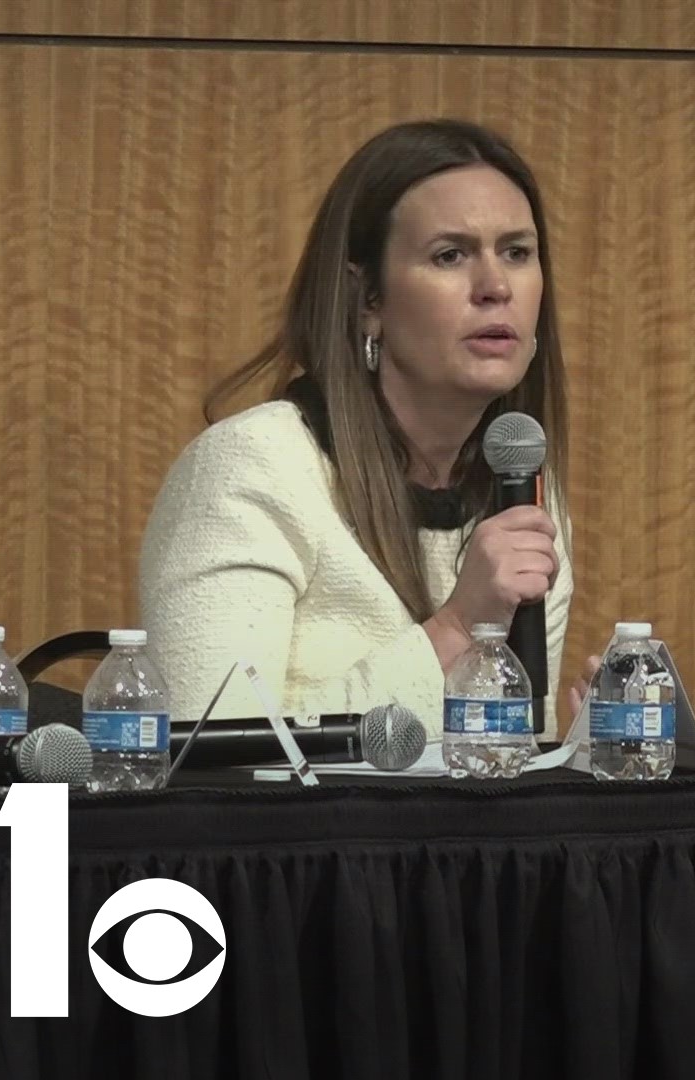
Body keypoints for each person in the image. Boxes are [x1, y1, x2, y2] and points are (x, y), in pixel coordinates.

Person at [139, 118, 581, 735]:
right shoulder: (252, 470)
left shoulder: (526, 493)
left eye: (517, 252)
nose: (496, 287)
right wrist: (455, 630)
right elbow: (213, 759)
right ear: (368, 298)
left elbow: (497, 758)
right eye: (450, 255)